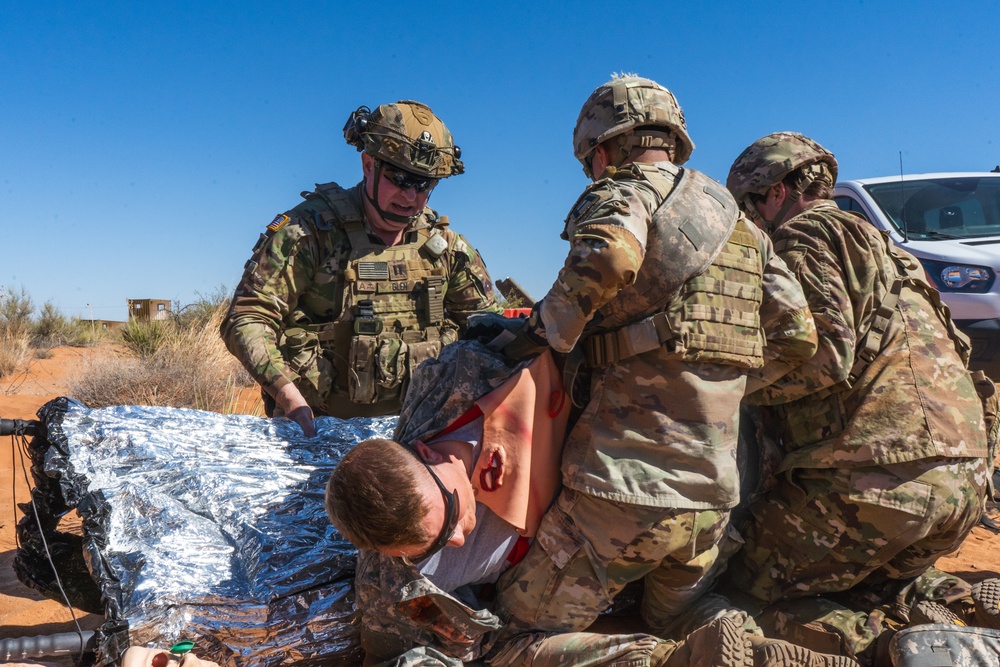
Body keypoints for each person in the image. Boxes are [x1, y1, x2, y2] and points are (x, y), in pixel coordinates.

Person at [475, 74, 818, 652]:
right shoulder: (738, 222)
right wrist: (723, 384)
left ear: (604, 150)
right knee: (681, 617)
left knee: (508, 635)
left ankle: (658, 663)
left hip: (619, 495)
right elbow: (798, 336)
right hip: (712, 504)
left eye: (591, 161)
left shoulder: (627, 190)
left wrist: (533, 339)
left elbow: (608, 255)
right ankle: (750, 652)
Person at [326, 341, 856, 667]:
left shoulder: (465, 379)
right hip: (687, 507)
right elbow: (410, 650)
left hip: (698, 462)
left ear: (422, 450)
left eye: (446, 522)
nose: (458, 540)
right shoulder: (397, 587)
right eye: (435, 546)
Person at [724, 132, 990, 646]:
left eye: (749, 208)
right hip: (963, 489)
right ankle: (951, 599)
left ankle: (872, 648)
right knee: (865, 571)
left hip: (874, 490)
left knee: (732, 587)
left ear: (776, 192)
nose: (750, 224)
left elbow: (821, 355)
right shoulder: (897, 256)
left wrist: (725, 388)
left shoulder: (801, 238)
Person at [221, 100, 501, 435]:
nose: (410, 195)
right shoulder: (310, 232)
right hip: (320, 426)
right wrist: (291, 400)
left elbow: (489, 329)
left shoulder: (445, 248)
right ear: (369, 164)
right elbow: (247, 317)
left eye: (424, 184)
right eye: (400, 178)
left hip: (419, 430)